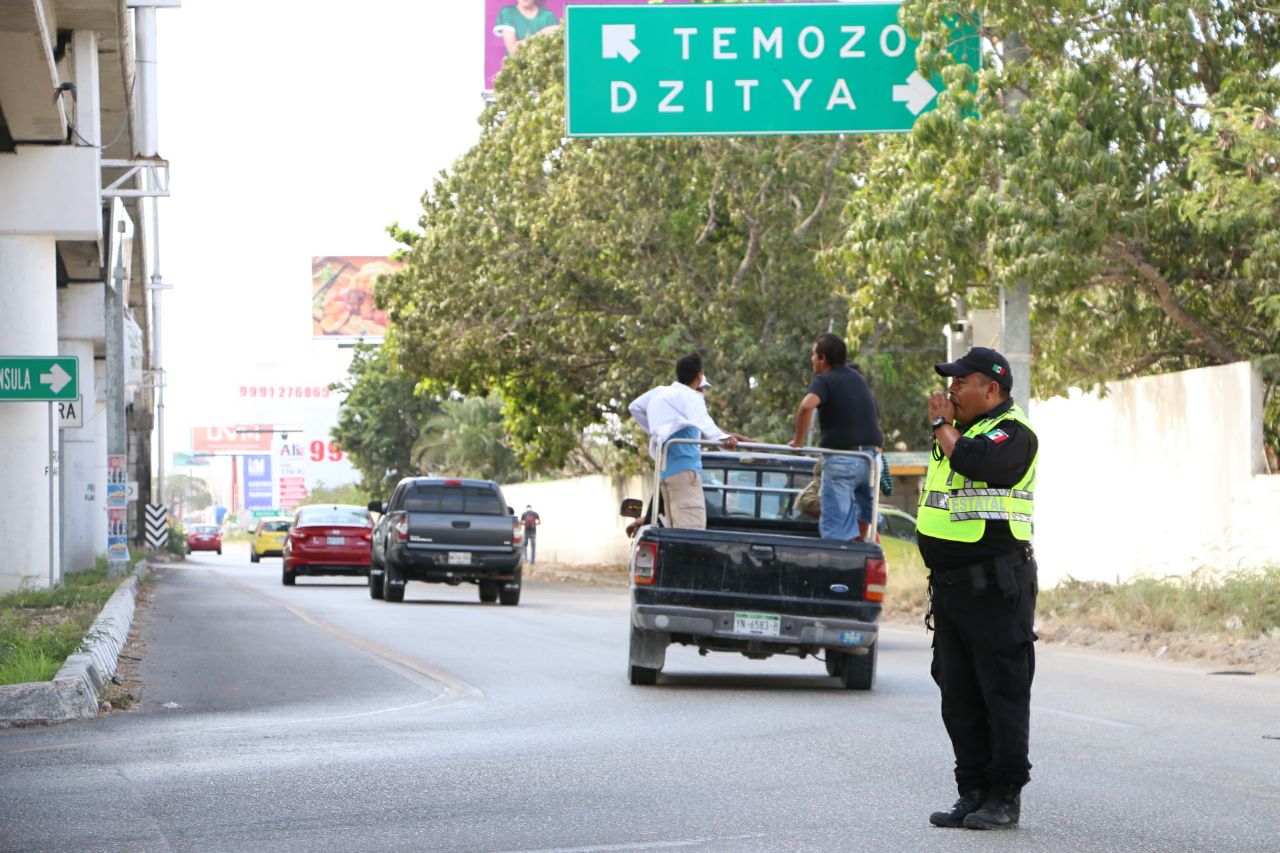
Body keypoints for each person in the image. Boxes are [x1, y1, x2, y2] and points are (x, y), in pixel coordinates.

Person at [919, 346, 1039, 831]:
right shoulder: (959, 433)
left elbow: (976, 464)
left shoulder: (1014, 434)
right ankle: (971, 791)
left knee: (1002, 692)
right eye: (950, 382)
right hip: (951, 589)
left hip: (996, 588)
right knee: (958, 694)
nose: (950, 391)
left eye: (960, 382)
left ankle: (1003, 796)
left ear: (991, 388)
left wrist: (941, 428)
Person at [628, 353, 748, 530]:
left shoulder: (662, 392)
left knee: (675, 529)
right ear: (699, 376)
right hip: (685, 473)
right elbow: (705, 423)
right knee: (691, 531)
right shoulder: (691, 397)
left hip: (666, 473)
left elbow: (635, 407)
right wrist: (724, 440)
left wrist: (659, 431)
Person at [788, 334, 884, 541]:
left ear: (822, 359)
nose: (812, 359)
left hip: (843, 460)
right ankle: (858, 563)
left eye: (814, 354)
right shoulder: (857, 379)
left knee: (835, 528)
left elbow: (806, 406)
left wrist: (798, 442)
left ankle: (837, 570)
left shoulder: (825, 379)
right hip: (870, 460)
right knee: (862, 517)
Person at [493, 0, 559, 57]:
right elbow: (513, 51)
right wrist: (542, 33)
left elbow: (552, 54)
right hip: (516, 69)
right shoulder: (507, 13)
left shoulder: (548, 16)